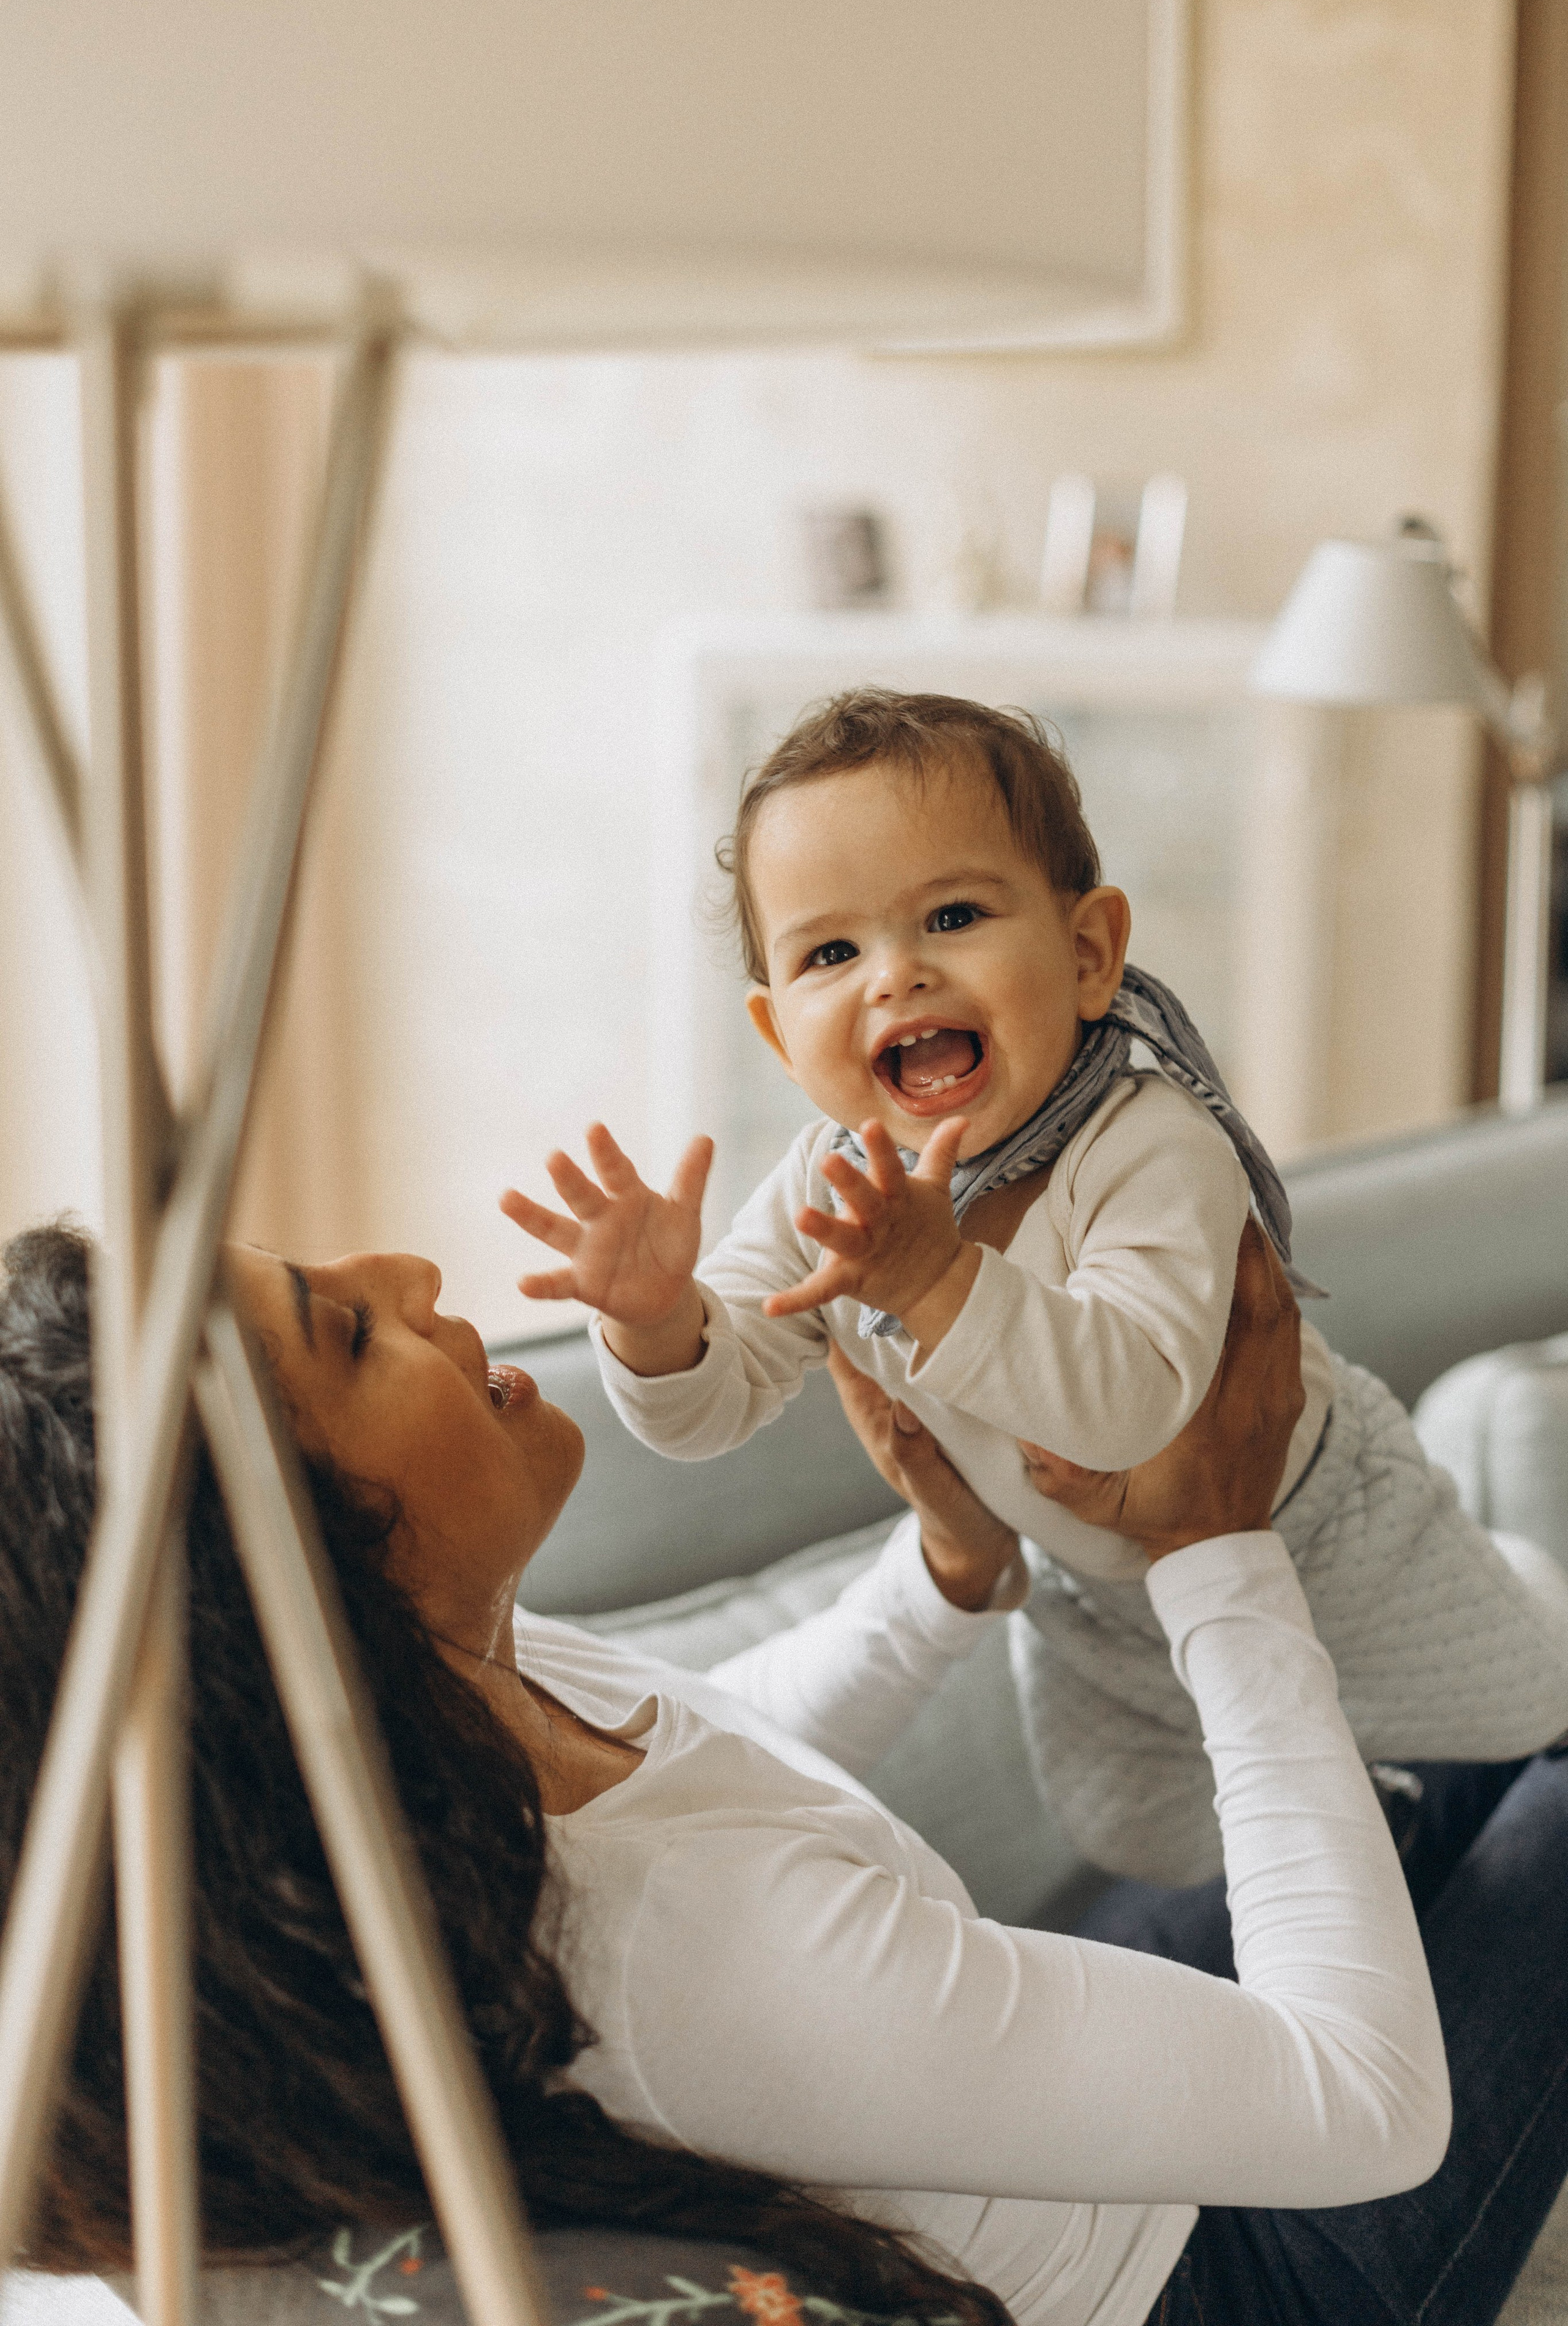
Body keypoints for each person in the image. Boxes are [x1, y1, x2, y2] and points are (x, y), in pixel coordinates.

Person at [7, 1215, 1568, 2326]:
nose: (406, 1273)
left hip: (1034, 2095)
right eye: (348, 1334)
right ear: (276, 1595)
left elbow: (707, 1760)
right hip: (1222, 2279)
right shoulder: (692, 1957)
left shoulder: (437, 1723)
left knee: (1470, 1735)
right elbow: (1363, 2106)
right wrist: (1214, 1553)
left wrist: (947, 1571)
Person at [501, 687, 1568, 1883]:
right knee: (1127, 1827)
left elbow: (1131, 1405)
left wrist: (935, 1278)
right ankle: (1393, 1824)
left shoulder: (1146, 1142)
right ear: (775, 1033)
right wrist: (657, 1321)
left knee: (1529, 1700)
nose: (893, 977)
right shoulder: (829, 1182)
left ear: (1085, 953)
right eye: (831, 952)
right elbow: (711, 1411)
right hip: (1089, 1597)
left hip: (1321, 1530)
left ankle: (1523, 1580)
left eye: (949, 916)